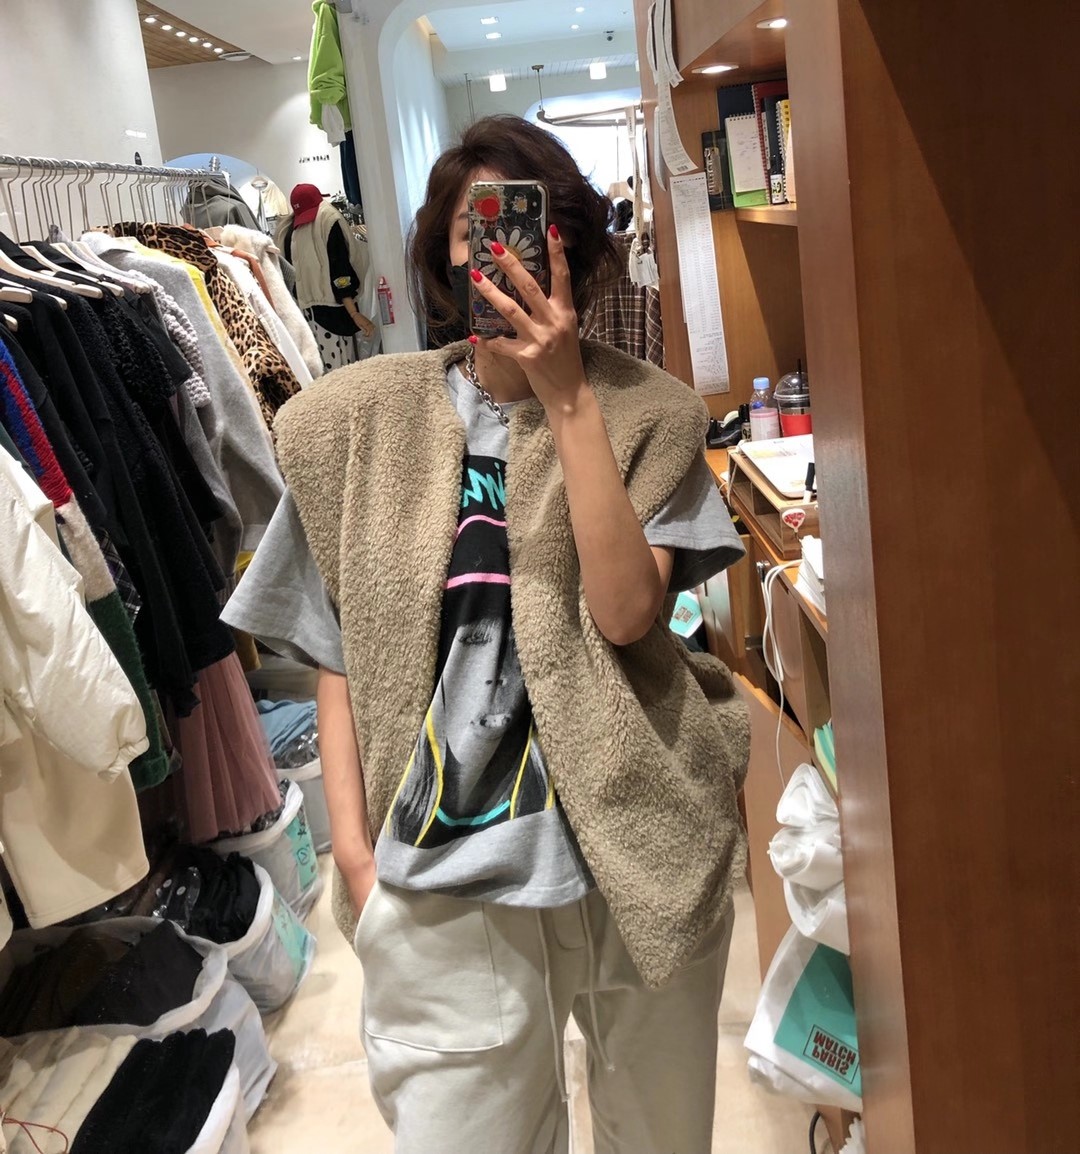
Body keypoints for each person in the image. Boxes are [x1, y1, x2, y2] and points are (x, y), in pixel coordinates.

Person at [223, 114, 749, 1154]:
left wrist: (568, 398)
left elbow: (626, 613)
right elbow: (335, 650)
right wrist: (358, 858)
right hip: (441, 877)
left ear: (572, 251)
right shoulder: (355, 424)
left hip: (643, 849)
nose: (502, 258)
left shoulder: (654, 415)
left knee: (662, 1138)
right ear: (441, 258)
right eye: (477, 234)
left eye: (528, 231)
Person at [277, 183, 377, 371]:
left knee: (324, 373)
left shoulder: (289, 232)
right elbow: (340, 269)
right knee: (344, 372)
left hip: (307, 316)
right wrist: (354, 313)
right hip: (335, 312)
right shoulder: (329, 221)